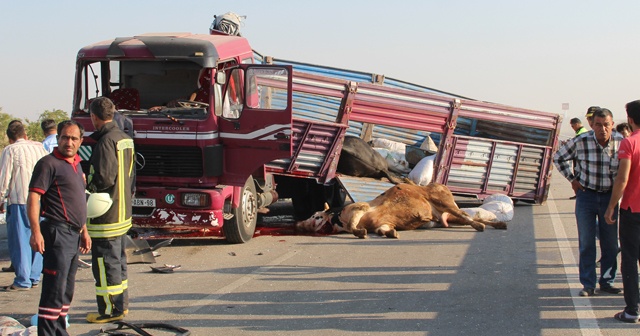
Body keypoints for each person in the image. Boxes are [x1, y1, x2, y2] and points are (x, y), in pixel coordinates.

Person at [28, 120, 91, 335]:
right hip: (57, 233)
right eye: (65, 137)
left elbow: (78, 199)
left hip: (74, 234)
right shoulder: (48, 164)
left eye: (74, 138)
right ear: (58, 138)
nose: (69, 142)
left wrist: (84, 231)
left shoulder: (76, 164)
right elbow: (34, 197)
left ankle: (60, 331)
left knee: (66, 290)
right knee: (54, 290)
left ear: (81, 141)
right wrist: (35, 232)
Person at [553, 107, 623, 297]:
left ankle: (607, 281)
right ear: (592, 125)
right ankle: (588, 284)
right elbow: (558, 158)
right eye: (598, 125)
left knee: (610, 243)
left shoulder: (620, 142)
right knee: (586, 242)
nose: (602, 129)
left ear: (612, 125)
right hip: (587, 196)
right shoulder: (581, 141)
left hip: (610, 198)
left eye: (606, 125)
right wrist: (572, 179)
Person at [85, 97, 135, 323]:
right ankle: (121, 305)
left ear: (94, 117)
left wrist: (88, 182)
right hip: (123, 211)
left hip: (107, 215)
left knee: (105, 265)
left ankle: (109, 310)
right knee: (118, 262)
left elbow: (103, 179)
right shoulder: (125, 138)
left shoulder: (106, 142)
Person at [0, 121, 48, 291]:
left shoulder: (10, 150)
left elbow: (4, 178)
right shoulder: (40, 148)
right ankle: (35, 275)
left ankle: (23, 279)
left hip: (20, 199)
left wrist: (1, 199)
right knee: (38, 236)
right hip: (41, 199)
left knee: (20, 241)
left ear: (10, 138)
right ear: (25, 134)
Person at [604, 100, 640, 323]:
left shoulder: (629, 143)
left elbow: (623, 179)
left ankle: (632, 311)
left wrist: (610, 207)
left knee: (630, 259)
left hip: (632, 211)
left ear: (630, 119)